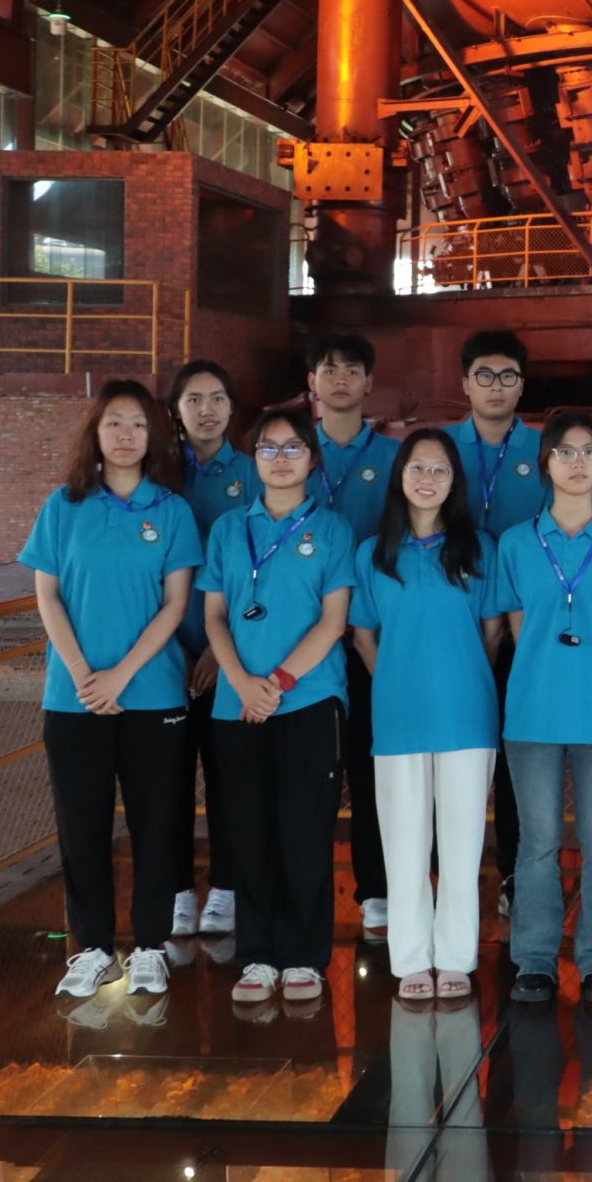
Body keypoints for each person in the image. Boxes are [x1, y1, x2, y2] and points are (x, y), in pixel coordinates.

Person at [26, 380, 203, 1003]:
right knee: (81, 826)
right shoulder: (63, 506)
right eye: (114, 423)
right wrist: (82, 673)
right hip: (73, 697)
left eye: (138, 424)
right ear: (95, 433)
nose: (126, 435)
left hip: (152, 695)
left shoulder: (172, 511)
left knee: (156, 824)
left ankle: (151, 945)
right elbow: (47, 596)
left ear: (154, 435)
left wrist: (121, 675)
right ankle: (94, 948)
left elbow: (175, 605)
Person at [198, 405, 356, 1008]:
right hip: (236, 705)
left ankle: (305, 956)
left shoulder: (334, 530)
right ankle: (258, 955)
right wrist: (242, 682)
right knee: (249, 831)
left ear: (313, 460)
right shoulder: (227, 530)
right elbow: (215, 616)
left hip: (308, 700)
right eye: (269, 448)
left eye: (293, 448)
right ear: (254, 458)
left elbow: (334, 621)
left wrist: (280, 682)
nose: (281, 458)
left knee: (304, 831)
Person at [495, 412, 592, 1006]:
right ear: (546, 463)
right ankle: (535, 958)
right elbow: (517, 629)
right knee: (536, 839)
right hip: (532, 712)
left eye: (590, 452)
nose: (578, 462)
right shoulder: (516, 543)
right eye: (565, 452)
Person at [350, 429, 504, 1000]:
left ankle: (457, 957)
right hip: (397, 720)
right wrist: (394, 678)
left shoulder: (478, 548)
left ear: (454, 481)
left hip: (468, 717)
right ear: (400, 476)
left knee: (462, 847)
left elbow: (492, 631)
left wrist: (459, 673)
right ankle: (411, 958)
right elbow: (363, 635)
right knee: (404, 846)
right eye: (417, 468)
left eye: (440, 469)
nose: (428, 479)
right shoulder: (374, 553)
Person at [306, 332, 401, 940]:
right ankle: (303, 889)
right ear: (311, 382)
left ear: (370, 382)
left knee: (371, 768)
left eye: (352, 369)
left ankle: (377, 889)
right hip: (303, 643)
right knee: (309, 777)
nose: (339, 378)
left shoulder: (395, 457)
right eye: (327, 367)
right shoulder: (291, 451)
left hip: (372, 638)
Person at [449, 329, 545, 918]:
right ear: (465, 383)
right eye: (484, 375)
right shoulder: (440, 448)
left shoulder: (545, 449)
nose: (495, 386)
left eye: (507, 376)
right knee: (454, 756)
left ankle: (514, 875)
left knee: (516, 759)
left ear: (521, 386)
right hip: (455, 628)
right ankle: (446, 881)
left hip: (525, 631)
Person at [167, 359, 259, 940]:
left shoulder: (253, 474)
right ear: (175, 410)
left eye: (218, 398)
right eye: (194, 399)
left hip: (231, 659)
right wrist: (173, 648)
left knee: (229, 780)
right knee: (168, 782)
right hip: (163, 659)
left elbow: (261, 573)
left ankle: (226, 886)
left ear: (232, 408)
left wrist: (217, 653)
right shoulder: (157, 473)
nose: (207, 410)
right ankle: (178, 889)